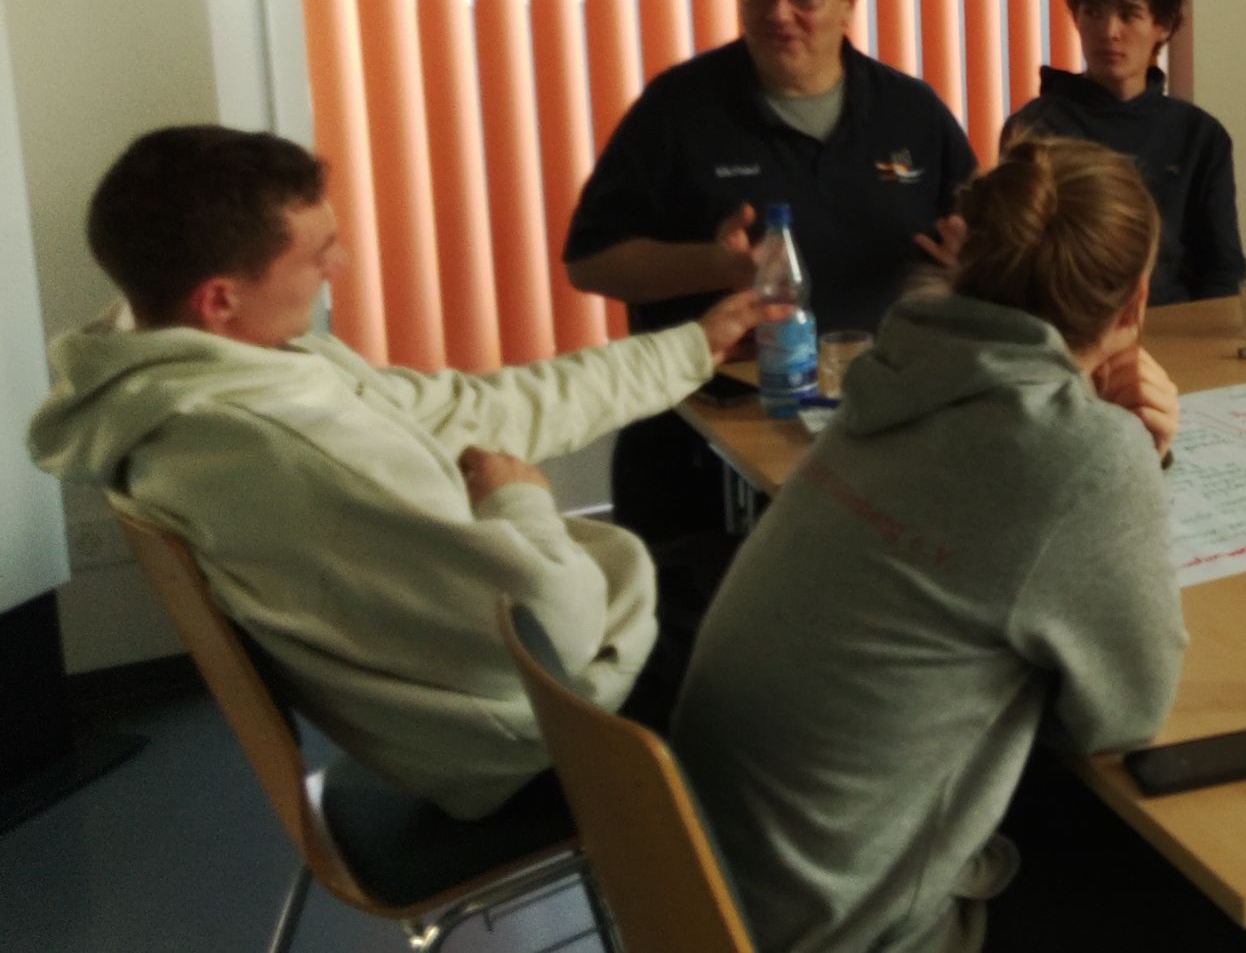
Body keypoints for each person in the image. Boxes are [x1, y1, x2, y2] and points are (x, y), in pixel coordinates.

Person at [28, 125, 771, 821]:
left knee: (743, 565)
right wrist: (519, 500)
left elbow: (471, 411)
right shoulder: (288, 447)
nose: (340, 266)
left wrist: (692, 348)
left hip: (487, 685)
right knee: (797, 597)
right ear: (219, 298)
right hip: (545, 734)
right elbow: (557, 631)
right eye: (319, 253)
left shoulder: (198, 374)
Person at [669, 136, 1192, 952]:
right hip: (855, 929)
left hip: (703, 888)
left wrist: (1106, 441)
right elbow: (1120, 716)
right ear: (1134, 304)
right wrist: (1129, 454)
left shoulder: (900, 366)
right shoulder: (1081, 454)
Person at [564, 0, 976, 545]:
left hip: (875, 439)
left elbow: (982, 244)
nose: (778, 13)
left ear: (849, 1)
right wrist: (711, 266)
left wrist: (970, 267)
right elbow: (589, 262)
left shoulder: (910, 113)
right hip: (704, 455)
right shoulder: (678, 110)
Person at [1004, 0, 1245, 305]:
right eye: (1092, 12)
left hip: (1174, 322)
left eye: (1128, 15)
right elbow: (1018, 260)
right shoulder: (1036, 128)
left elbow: (1222, 268)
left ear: (1162, 26)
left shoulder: (1199, 135)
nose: (1108, 31)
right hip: (1069, 322)